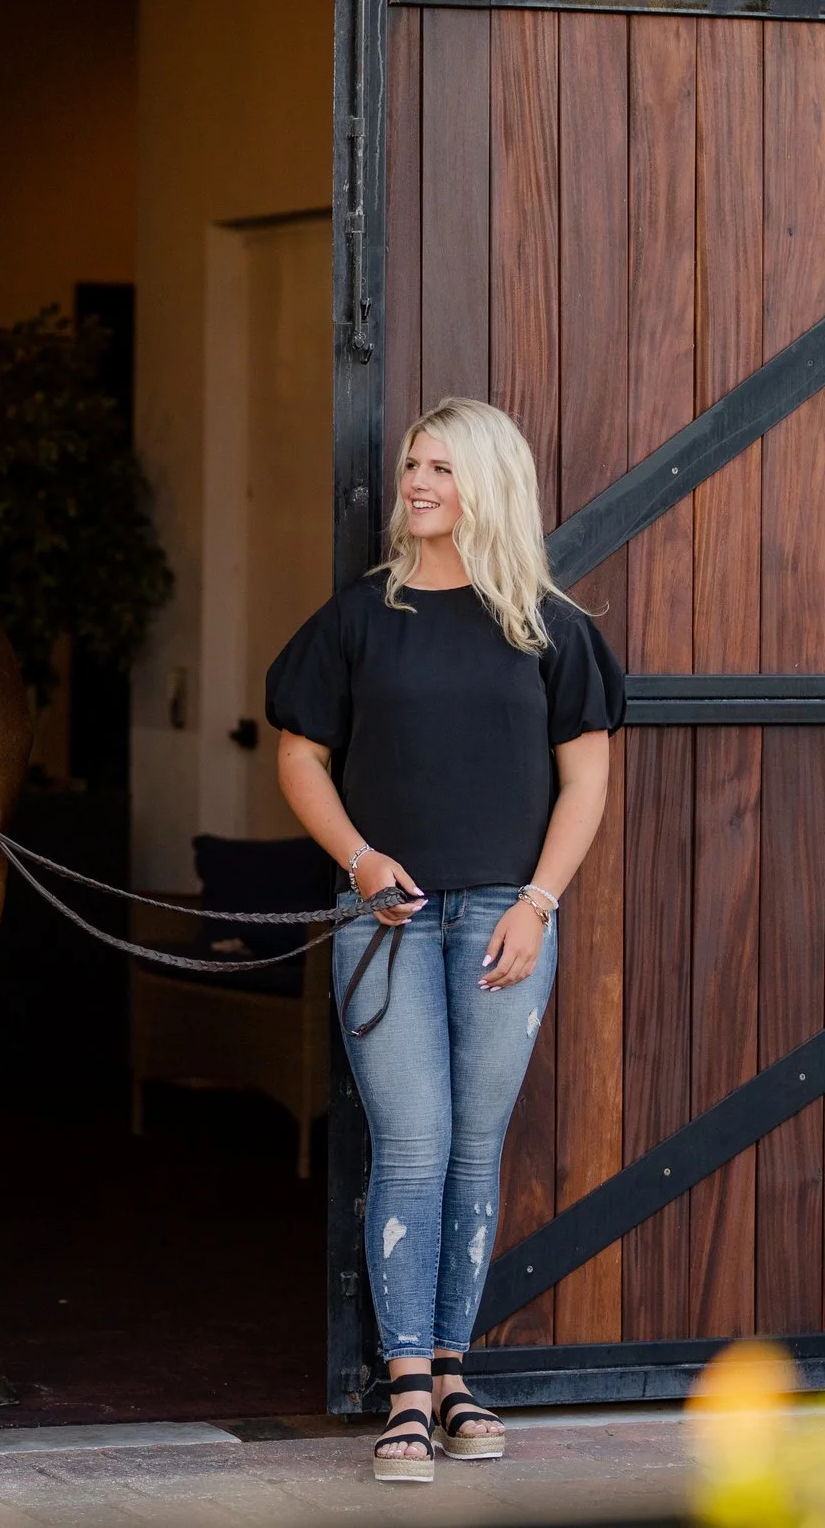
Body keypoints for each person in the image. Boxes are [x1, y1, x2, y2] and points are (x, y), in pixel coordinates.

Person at [266, 397, 624, 1484]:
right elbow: (298, 757)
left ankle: (456, 1372)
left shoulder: (550, 629)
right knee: (413, 1144)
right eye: (413, 464)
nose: (417, 482)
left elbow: (587, 780)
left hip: (504, 919)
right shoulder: (358, 620)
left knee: (474, 1148)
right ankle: (407, 1388)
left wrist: (538, 903)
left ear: (488, 483)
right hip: (389, 921)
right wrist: (359, 859)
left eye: (441, 467)